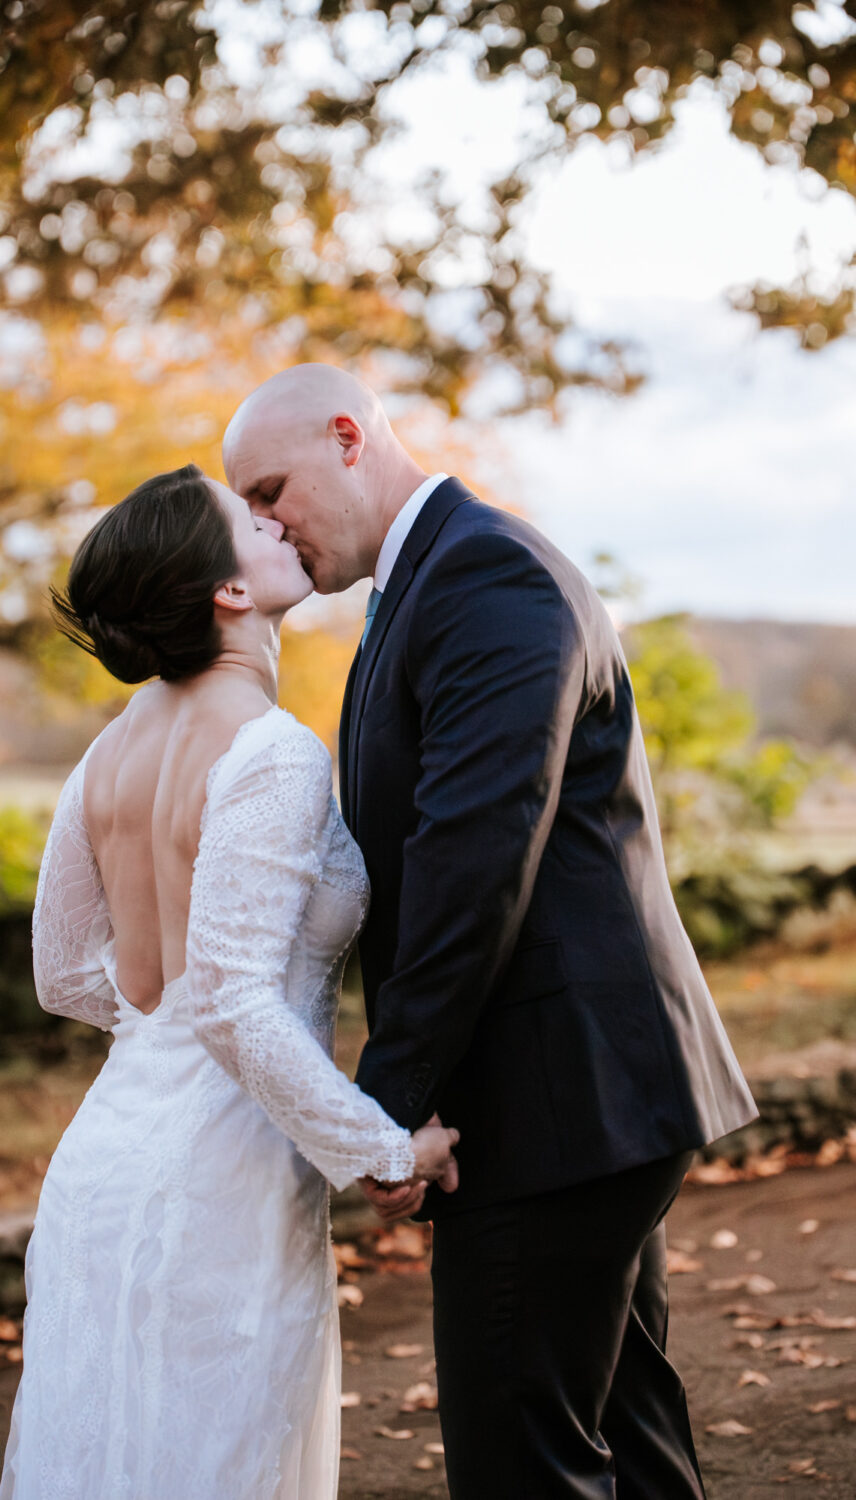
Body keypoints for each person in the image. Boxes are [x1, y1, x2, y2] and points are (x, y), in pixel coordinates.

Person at [223, 364, 759, 1500]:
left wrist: (388, 1103)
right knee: (624, 1427)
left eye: (273, 489)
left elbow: (473, 864)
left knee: (521, 1461)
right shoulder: (422, 586)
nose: (264, 524)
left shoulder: (485, 576)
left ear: (348, 437)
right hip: (574, 1095)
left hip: (557, 1099)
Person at [0, 463, 459, 1500]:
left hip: (104, 1166)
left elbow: (65, 973)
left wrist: (157, 1039)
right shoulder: (271, 753)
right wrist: (382, 1148)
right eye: (248, 519)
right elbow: (235, 1000)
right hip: (218, 1188)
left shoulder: (105, 755)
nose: (274, 517)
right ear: (230, 594)